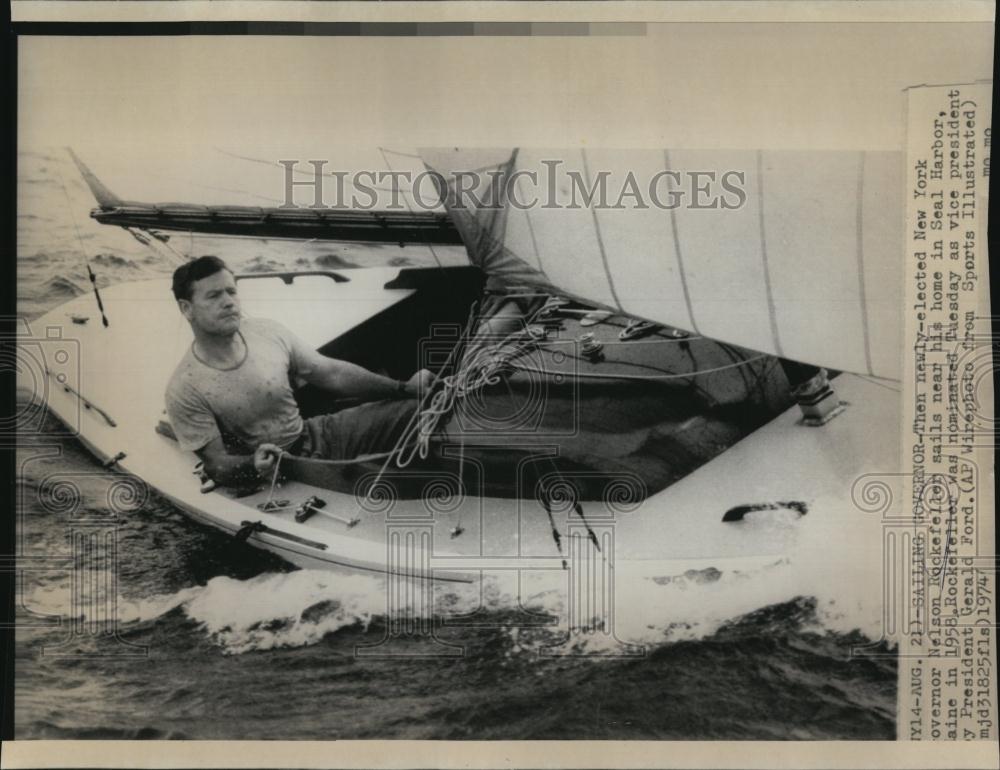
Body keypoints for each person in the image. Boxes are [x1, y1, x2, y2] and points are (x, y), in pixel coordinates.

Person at [164, 256, 433, 487]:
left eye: (231, 292)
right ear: (187, 309)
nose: (228, 302)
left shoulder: (267, 332)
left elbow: (332, 373)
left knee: (423, 408)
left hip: (314, 435)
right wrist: (252, 464)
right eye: (214, 295)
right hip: (283, 470)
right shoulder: (185, 387)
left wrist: (403, 388)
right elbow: (216, 463)